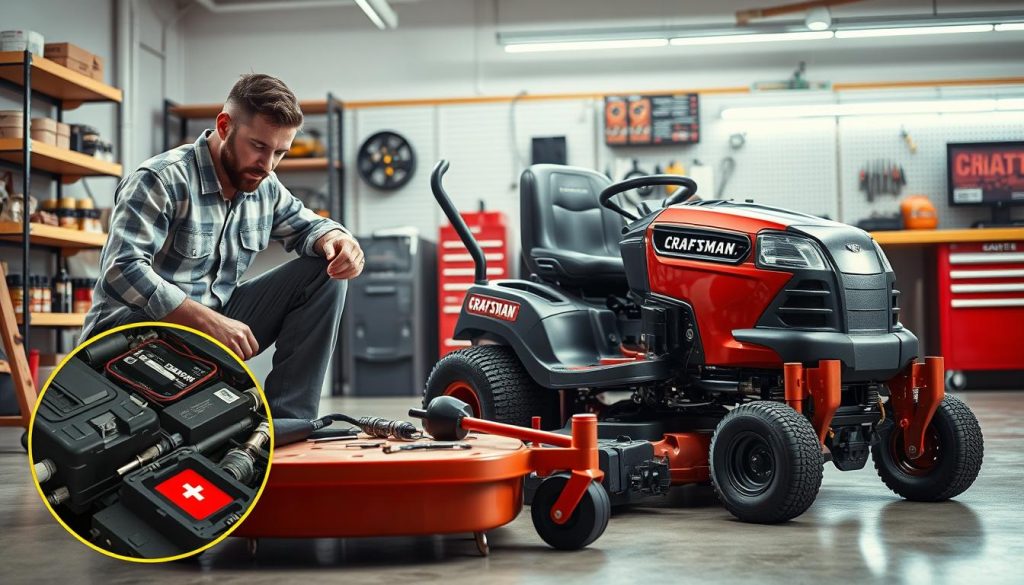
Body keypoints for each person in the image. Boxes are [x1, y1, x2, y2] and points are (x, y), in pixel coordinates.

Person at [81, 73, 363, 419]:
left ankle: (289, 423)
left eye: (280, 153)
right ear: (225, 125)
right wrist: (205, 321)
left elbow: (311, 227)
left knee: (324, 272)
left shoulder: (265, 186)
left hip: (203, 333)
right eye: (259, 146)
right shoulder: (161, 179)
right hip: (129, 340)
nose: (268, 164)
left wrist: (339, 240)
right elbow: (121, 270)